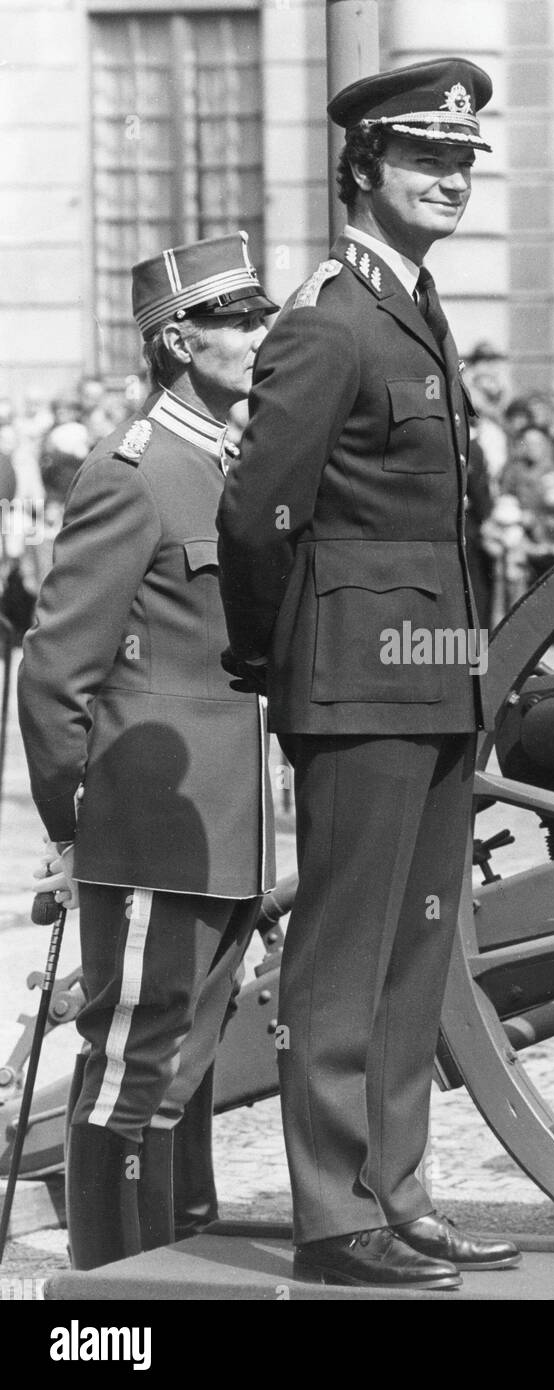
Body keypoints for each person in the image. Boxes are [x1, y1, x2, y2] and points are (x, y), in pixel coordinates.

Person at [218, 57, 519, 1291]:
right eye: (424, 159)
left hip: (434, 673)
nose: (449, 177)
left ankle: (399, 1190)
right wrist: (280, 661)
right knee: (343, 954)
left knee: (415, 948)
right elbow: (257, 514)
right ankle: (336, 1215)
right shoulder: (331, 319)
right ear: (362, 169)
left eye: (460, 161)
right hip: (354, 680)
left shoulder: (417, 308)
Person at [18, 232, 278, 1270]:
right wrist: (77, 824)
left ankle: (170, 1271)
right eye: (240, 320)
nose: (262, 335)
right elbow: (54, 672)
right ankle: (113, 1301)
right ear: (179, 338)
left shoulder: (230, 463)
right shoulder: (132, 472)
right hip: (149, 825)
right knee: (131, 1060)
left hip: (223, 824)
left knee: (184, 1060)